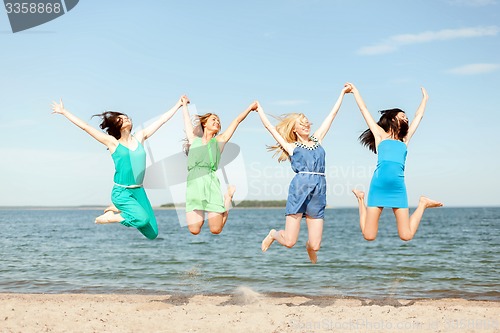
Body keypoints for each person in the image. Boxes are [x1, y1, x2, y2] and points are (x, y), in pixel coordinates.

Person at [51, 96, 187, 239]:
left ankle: (117, 208)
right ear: (116, 125)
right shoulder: (112, 143)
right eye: (121, 118)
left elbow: (162, 120)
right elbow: (86, 127)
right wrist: (64, 112)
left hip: (139, 191)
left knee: (152, 234)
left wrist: (178, 104)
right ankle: (110, 217)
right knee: (142, 220)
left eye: (127, 117)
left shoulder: (140, 137)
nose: (126, 119)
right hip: (121, 192)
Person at [259, 86, 350, 264]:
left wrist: (342, 94)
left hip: (319, 188)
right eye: (301, 123)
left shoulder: (318, 139)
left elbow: (331, 115)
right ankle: (273, 234)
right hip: (299, 189)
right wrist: (259, 109)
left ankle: (309, 248)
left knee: (315, 245)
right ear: (294, 129)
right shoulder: (292, 147)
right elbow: (270, 127)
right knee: (290, 242)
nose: (306, 125)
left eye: (307, 122)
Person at [347, 82, 443, 241]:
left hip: (398, 189)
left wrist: (425, 100)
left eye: (406, 117)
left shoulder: (405, 139)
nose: (406, 117)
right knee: (368, 235)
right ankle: (361, 199)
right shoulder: (380, 135)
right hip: (378, 187)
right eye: (402, 115)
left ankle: (423, 204)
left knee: (406, 235)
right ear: (392, 118)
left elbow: (419, 116)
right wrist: (355, 92)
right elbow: (364, 110)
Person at [181, 97, 257, 235]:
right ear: (204, 123)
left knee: (216, 229)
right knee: (194, 230)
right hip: (194, 185)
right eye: (213, 119)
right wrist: (184, 105)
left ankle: (227, 198)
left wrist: (249, 108)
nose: (217, 122)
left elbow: (237, 121)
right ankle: (204, 213)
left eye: (218, 121)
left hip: (211, 183)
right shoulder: (193, 140)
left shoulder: (219, 141)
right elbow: (186, 121)